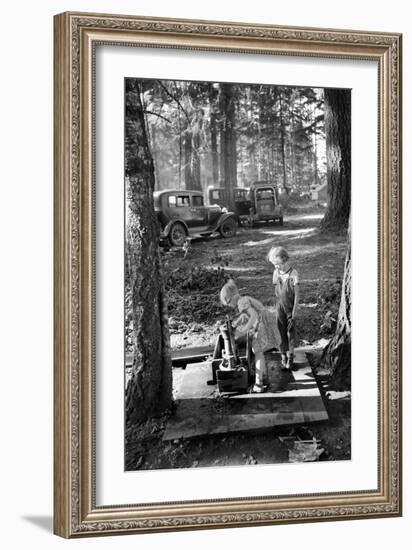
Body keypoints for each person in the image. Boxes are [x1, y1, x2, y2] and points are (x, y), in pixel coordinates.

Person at [220, 279, 280, 393]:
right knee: (259, 352)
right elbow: (246, 315)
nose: (229, 306)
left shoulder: (241, 302)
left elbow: (253, 316)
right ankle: (263, 377)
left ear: (232, 298)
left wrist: (244, 329)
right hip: (264, 322)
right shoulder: (243, 300)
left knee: (257, 352)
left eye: (228, 303)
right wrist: (236, 323)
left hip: (262, 325)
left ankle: (259, 383)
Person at [267, 246, 300, 370]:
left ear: (284, 259)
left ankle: (290, 356)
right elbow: (276, 289)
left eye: (277, 264)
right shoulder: (276, 273)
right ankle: (283, 356)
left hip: (290, 308)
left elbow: (297, 294)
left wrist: (295, 310)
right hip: (280, 307)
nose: (276, 267)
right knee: (280, 333)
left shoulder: (293, 273)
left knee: (290, 333)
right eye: (274, 265)